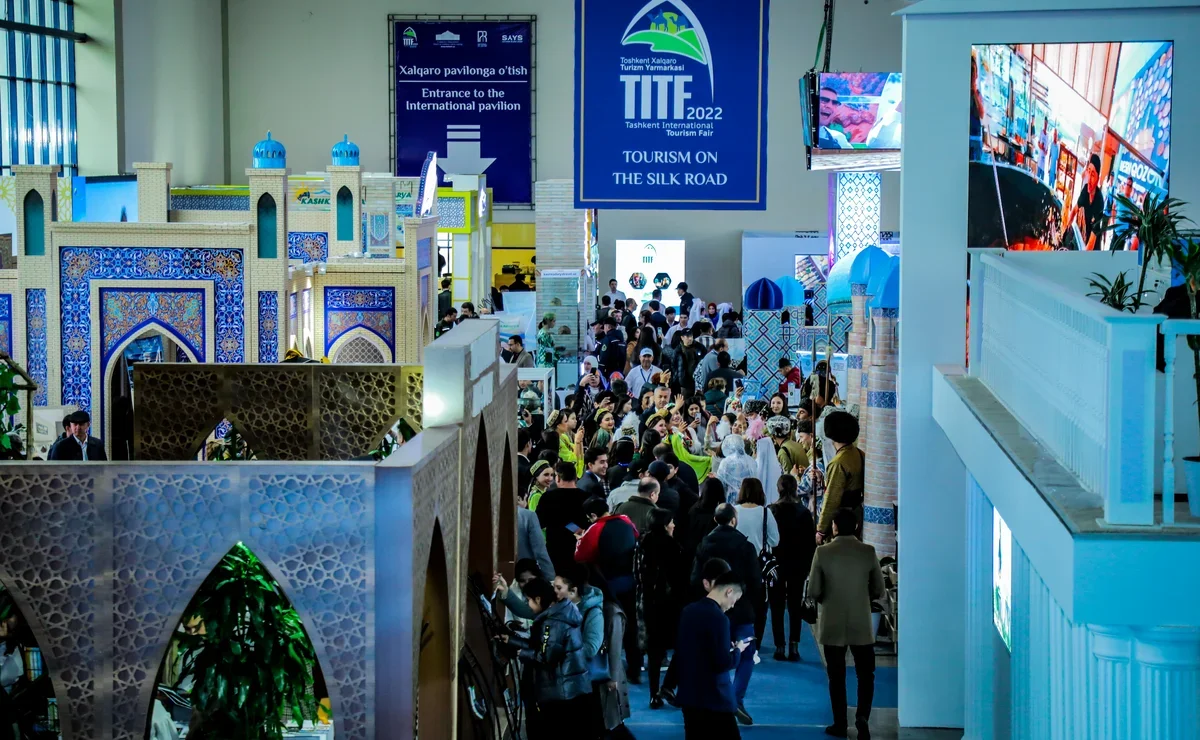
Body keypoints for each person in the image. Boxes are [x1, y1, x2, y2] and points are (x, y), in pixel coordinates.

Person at [809, 508, 885, 739]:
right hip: (861, 623)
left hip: (832, 622)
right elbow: (879, 589)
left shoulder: (822, 552)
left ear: (834, 527)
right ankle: (862, 717)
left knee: (836, 676)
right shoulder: (868, 552)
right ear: (856, 527)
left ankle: (840, 723)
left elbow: (814, 590)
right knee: (866, 674)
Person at [691, 503, 762, 725]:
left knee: (710, 655)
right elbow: (755, 580)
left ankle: (713, 700)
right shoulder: (745, 545)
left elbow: (695, 578)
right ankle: (736, 698)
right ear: (734, 520)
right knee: (747, 652)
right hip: (741, 608)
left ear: (715, 519)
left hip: (713, 609)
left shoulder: (704, 544)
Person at [502, 577, 592, 734]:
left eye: (529, 600)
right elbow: (543, 647)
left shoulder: (553, 623)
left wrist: (521, 653)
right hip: (568, 688)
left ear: (538, 599)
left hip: (560, 692)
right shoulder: (561, 613)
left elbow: (545, 657)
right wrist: (512, 641)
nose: (528, 605)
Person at [674, 570, 752, 739]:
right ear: (729, 591)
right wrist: (737, 651)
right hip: (715, 699)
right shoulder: (720, 619)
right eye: (735, 600)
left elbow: (682, 652)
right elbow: (722, 663)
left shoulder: (688, 611)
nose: (733, 605)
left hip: (690, 697)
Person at [636, 507, 685, 708]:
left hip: (647, 604)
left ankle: (654, 694)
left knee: (654, 652)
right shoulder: (673, 547)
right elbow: (679, 579)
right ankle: (669, 685)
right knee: (683, 647)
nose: (674, 525)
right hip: (670, 605)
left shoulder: (642, 544)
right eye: (671, 522)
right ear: (665, 525)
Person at [768, 474, 816, 661]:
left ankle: (779, 646)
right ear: (796, 489)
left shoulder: (772, 510)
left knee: (777, 605)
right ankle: (794, 646)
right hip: (798, 564)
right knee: (795, 605)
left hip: (776, 563)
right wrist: (808, 566)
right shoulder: (803, 512)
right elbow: (810, 543)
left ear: (778, 489)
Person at [817, 412, 866, 543]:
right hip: (857, 512)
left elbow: (832, 499)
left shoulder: (838, 462)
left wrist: (821, 530)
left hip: (842, 518)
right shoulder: (859, 453)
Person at [538, 461, 589, 576]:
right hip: (581, 552)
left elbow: (539, 523)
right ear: (575, 478)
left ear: (558, 478)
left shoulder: (548, 497)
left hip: (556, 552)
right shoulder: (587, 497)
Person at [1063, 153, 1107, 251]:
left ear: (1098, 179)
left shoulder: (1099, 202)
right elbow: (1074, 210)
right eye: (1089, 172)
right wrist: (1067, 228)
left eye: (1093, 175)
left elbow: (1091, 242)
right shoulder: (1085, 191)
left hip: (1093, 249)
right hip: (1084, 240)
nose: (1089, 179)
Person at [519, 490, 556, 579]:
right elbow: (539, 551)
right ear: (519, 499)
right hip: (526, 570)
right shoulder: (528, 514)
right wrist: (551, 578)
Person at [716, 435, 758, 505]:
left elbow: (720, 484)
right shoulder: (751, 461)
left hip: (731, 499)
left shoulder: (726, 462)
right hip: (749, 499)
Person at [671, 329, 705, 396]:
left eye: (691, 336)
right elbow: (673, 365)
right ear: (682, 337)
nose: (690, 338)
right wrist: (678, 379)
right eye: (687, 336)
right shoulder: (678, 350)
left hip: (698, 382)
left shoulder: (700, 347)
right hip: (684, 383)